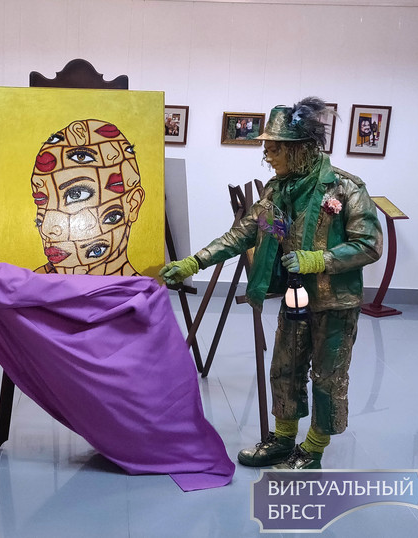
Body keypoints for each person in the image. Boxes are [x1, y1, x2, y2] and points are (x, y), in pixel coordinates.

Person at [161, 97, 383, 470]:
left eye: (275, 149)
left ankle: (313, 450)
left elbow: (369, 244)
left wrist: (321, 260)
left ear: (302, 148)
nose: (268, 157)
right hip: (295, 299)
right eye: (267, 149)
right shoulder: (278, 191)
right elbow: (245, 233)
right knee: (284, 369)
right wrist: (194, 261)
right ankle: (282, 440)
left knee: (327, 377)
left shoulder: (346, 189)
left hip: (335, 302)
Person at [31, 119, 145, 275]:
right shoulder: (30, 284)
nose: (46, 228)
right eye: (40, 200)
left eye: (75, 195)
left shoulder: (143, 290)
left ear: (132, 204)